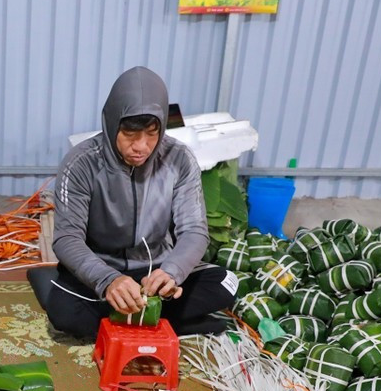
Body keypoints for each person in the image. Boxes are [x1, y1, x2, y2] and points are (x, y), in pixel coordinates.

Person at [39, 66, 236, 339]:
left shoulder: (179, 159)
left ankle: (125, 321)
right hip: (101, 268)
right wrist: (107, 280)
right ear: (111, 124)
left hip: (154, 272)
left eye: (151, 134)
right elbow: (67, 238)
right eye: (130, 134)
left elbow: (193, 230)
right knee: (64, 314)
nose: (141, 146)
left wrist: (172, 273)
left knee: (225, 284)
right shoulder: (81, 163)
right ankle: (162, 324)